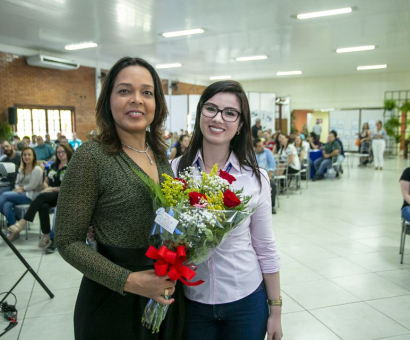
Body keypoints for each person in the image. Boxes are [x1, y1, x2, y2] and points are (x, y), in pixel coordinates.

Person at [54, 57, 184, 339]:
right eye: (124, 91)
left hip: (164, 291)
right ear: (108, 100)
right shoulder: (92, 157)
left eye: (146, 92)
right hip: (113, 300)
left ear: (157, 104)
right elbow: (66, 241)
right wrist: (129, 281)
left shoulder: (160, 156)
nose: (136, 100)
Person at [171, 80, 282, 340]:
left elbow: (265, 246)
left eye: (230, 113)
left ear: (241, 124)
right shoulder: (175, 170)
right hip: (191, 301)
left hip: (245, 300)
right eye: (210, 109)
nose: (218, 118)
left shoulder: (255, 179)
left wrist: (275, 310)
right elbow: (163, 230)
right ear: (200, 113)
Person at [9, 144, 73, 247]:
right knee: (43, 207)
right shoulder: (54, 166)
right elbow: (45, 181)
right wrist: (46, 186)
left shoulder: (72, 167)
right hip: (50, 194)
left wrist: (50, 189)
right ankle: (46, 236)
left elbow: (70, 187)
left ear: (68, 153)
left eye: (62, 152)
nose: (60, 154)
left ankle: (22, 222)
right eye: (58, 152)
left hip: (64, 195)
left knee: (41, 196)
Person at [0, 147, 43, 239]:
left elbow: (33, 185)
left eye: (29, 154)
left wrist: (22, 188)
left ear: (33, 156)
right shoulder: (21, 169)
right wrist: (17, 189)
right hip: (20, 194)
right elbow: (16, 183)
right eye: (24, 155)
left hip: (32, 195)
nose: (26, 157)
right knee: (6, 205)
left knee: (3, 195)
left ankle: (16, 223)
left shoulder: (37, 169)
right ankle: (14, 231)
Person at [253, 138, 277, 214]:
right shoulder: (251, 154)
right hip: (255, 177)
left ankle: (272, 206)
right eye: (259, 146)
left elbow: (272, 166)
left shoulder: (267, 152)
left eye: (262, 145)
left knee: (272, 184)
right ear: (255, 148)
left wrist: (269, 176)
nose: (262, 147)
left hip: (267, 176)